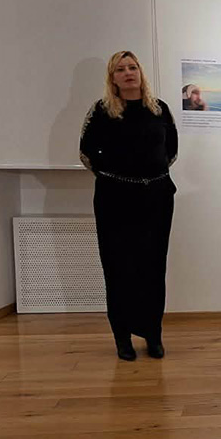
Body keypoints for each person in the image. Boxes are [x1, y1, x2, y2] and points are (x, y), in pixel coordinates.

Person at [79, 51, 178, 361]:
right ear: (113, 78)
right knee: (119, 267)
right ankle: (122, 337)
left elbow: (171, 150)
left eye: (132, 67)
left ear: (140, 72)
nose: (128, 73)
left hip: (156, 199)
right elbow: (86, 153)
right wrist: (117, 179)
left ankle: (153, 334)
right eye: (120, 69)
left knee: (153, 267)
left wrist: (149, 177)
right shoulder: (101, 111)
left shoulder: (159, 109)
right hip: (115, 200)